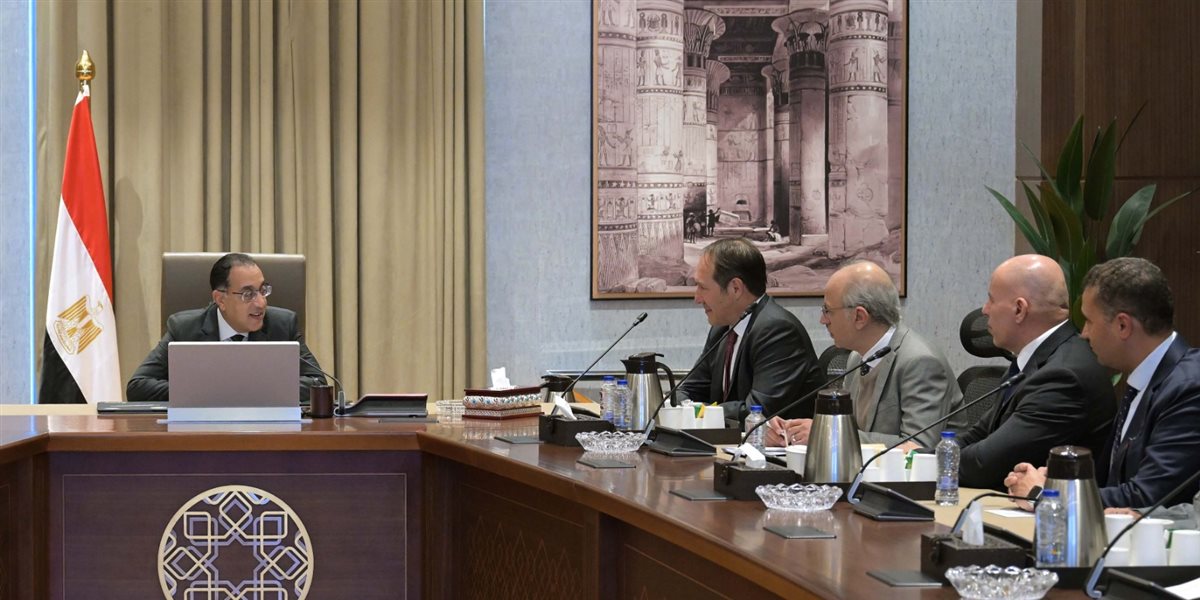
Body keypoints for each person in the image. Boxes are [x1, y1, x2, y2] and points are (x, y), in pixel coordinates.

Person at [1005, 258, 1200, 508]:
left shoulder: (1190, 388)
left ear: (1122, 325)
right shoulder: (1144, 379)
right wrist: (1057, 480)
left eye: (1089, 321)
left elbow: (1149, 497)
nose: (1084, 333)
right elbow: (1111, 480)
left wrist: (1046, 494)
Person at [940, 255, 1115, 490]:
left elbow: (985, 465)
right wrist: (917, 457)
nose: (984, 310)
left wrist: (923, 465)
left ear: (1019, 309)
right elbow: (977, 436)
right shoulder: (1032, 361)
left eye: (991, 300)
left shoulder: (1064, 376)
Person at [765, 261, 962, 448]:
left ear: (859, 317)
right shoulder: (856, 358)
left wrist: (827, 434)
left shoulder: (920, 362)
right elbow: (851, 430)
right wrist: (790, 431)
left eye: (827, 311)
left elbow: (918, 446)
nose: (822, 320)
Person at [126, 253, 326, 404]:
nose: (261, 303)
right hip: (202, 432)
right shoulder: (184, 329)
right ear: (220, 299)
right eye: (248, 294)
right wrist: (211, 391)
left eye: (262, 290)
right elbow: (138, 386)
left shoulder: (282, 325)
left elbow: (317, 383)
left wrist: (246, 390)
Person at [676, 238, 825, 423]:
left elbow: (756, 414)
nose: (697, 298)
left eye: (703, 287)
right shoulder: (721, 329)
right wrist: (699, 409)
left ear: (735, 288)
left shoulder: (777, 331)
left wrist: (701, 411)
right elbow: (684, 392)